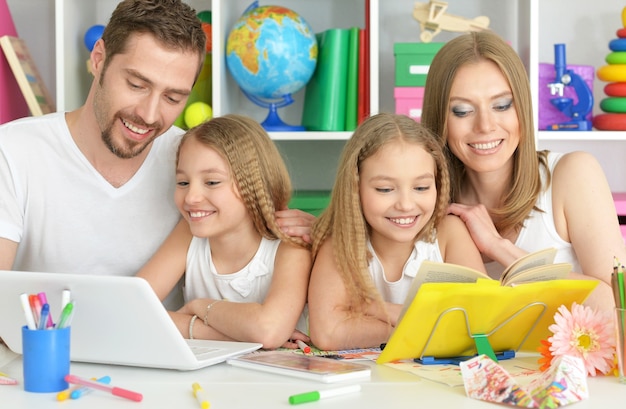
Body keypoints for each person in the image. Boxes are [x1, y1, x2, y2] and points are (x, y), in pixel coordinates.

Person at [0, 0, 310, 308]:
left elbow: (257, 253)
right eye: (136, 84)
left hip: (165, 353)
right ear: (98, 59)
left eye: (173, 98)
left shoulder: (193, 161)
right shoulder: (13, 151)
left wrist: (309, 233)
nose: (149, 115)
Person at [421, 30, 626, 311]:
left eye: (502, 105)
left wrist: (501, 248)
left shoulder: (572, 175)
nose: (485, 126)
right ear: (439, 118)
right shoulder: (422, 199)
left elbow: (618, 309)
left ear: (523, 108)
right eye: (462, 111)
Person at [307, 113, 485, 351]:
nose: (406, 204)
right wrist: (429, 326)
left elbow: (481, 321)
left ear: (437, 183)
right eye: (385, 189)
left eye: (421, 187)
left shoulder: (449, 234)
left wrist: (377, 310)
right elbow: (329, 334)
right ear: (355, 188)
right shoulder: (340, 241)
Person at [137, 114, 311, 349]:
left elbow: (268, 331)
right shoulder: (188, 233)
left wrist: (199, 307)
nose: (191, 197)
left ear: (254, 183)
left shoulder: (290, 245)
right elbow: (132, 307)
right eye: (183, 182)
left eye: (211, 182)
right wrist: (229, 335)